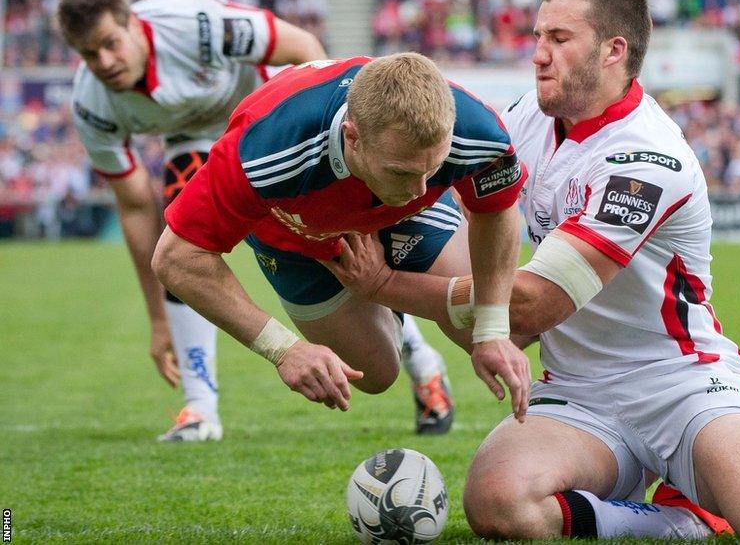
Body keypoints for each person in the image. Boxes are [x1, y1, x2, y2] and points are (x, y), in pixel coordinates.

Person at [322, 0, 740, 541]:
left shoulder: (644, 157)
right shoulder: (525, 120)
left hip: (681, 383)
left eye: (558, 37)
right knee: (498, 501)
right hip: (578, 391)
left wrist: (385, 285)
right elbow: (462, 224)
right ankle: (680, 521)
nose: (538, 51)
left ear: (612, 50)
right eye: (536, 34)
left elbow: (529, 306)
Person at [60, 0, 455, 440]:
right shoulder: (91, 106)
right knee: (183, 225)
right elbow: (136, 209)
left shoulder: (196, 25)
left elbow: (304, 46)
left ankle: (423, 361)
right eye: (89, 54)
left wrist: (330, 162)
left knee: (348, 260)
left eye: (111, 43)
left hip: (279, 127)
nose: (105, 62)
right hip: (203, 146)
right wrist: (157, 318)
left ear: (133, 23)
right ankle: (200, 407)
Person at [152, 54, 531, 429]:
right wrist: (283, 350)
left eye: (432, 169)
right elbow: (176, 258)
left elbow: (496, 209)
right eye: (401, 171)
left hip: (401, 217)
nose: (418, 189)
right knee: (375, 373)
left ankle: (389, 291)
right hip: (297, 239)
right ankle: (403, 330)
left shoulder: (477, 131)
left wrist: (492, 329)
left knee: (508, 321)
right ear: (353, 137)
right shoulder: (266, 147)